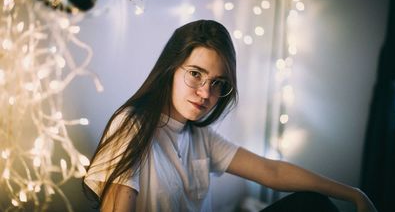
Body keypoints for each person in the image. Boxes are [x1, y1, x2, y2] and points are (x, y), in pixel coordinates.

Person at [83, 19, 377, 212]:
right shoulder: (132, 124)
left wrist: (353, 193)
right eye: (195, 74)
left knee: (312, 205)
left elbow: (271, 172)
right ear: (171, 69)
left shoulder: (200, 136)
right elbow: (118, 204)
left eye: (217, 83)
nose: (205, 93)